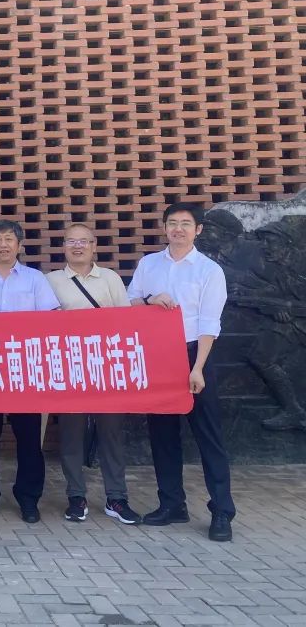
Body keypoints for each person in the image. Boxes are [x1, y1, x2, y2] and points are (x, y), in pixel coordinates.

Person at [128, 202, 235, 542]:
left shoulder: (208, 270)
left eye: (185, 224)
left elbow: (209, 323)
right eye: (172, 222)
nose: (178, 229)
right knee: (162, 434)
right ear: (164, 227)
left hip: (193, 355)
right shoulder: (149, 264)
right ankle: (172, 504)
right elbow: (131, 301)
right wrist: (150, 300)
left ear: (198, 230)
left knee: (208, 436)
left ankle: (222, 511)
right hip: (158, 355)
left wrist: (198, 368)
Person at [0, 220, 60, 523]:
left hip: (24, 369)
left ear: (19, 245)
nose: (3, 245)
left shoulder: (35, 279)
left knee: (28, 438)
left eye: (9, 239)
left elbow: (52, 319)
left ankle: (28, 498)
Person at [45, 222, 140, 526]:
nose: (77, 246)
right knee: (71, 434)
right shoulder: (50, 281)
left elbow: (126, 322)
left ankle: (116, 497)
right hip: (69, 368)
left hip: (106, 367)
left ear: (93, 246)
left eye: (83, 241)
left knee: (111, 434)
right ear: (63, 247)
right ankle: (76, 496)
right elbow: (42, 323)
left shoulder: (110, 278)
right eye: (71, 241)